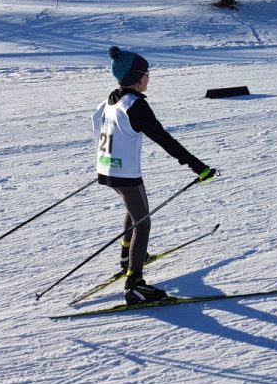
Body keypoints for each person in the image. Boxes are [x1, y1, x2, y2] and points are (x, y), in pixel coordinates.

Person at [92, 46, 216, 305]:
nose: (149, 77)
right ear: (137, 77)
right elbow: (165, 140)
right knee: (143, 222)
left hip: (107, 168)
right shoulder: (135, 105)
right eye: (146, 73)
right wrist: (198, 167)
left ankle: (128, 258)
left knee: (135, 211)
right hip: (125, 173)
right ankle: (134, 284)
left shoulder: (111, 99)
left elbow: (99, 125)